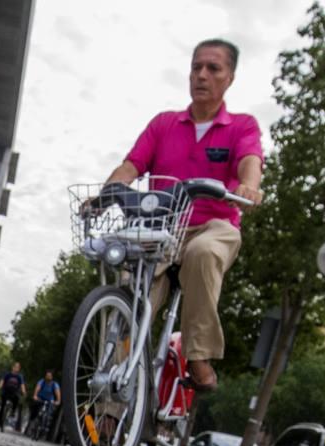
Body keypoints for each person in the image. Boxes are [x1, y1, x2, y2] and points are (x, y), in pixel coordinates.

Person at [98, 38, 264, 393]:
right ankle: (109, 408)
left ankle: (198, 354)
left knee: (202, 254)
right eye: (196, 67)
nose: (201, 75)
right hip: (161, 228)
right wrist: (106, 194)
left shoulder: (242, 126)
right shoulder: (164, 124)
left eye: (213, 68)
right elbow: (132, 165)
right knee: (127, 309)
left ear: (230, 78)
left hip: (213, 225)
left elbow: (250, 160)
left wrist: (250, 186)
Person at [28, 370, 61, 440]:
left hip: (50, 400)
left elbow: (57, 392)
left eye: (50, 376)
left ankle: (45, 428)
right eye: (47, 375)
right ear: (45, 376)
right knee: (35, 410)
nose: (48, 377)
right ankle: (33, 423)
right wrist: (35, 395)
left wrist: (58, 401)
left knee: (48, 414)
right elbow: (37, 388)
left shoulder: (54, 384)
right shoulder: (42, 381)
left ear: (52, 377)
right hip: (40, 398)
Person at [0, 362, 26, 432]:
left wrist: (24, 391)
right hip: (6, 391)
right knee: (2, 406)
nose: (16, 368)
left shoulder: (19, 376)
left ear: (19, 369)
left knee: (17, 398)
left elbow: (22, 384)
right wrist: (0, 386)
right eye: (15, 367)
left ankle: (13, 411)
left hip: (14, 393)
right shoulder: (7, 374)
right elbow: (2, 380)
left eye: (18, 367)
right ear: (12, 367)